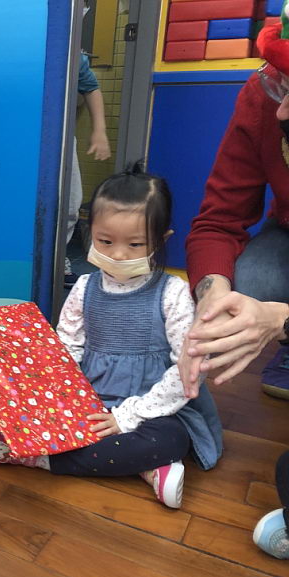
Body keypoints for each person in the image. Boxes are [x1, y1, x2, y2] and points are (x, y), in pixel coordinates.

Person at [0, 163, 223, 508]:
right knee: (17, 412)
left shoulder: (173, 293)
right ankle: (146, 468)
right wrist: (45, 397)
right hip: (91, 404)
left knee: (170, 439)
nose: (118, 254)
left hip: (154, 409)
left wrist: (128, 417)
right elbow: (66, 349)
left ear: (162, 240)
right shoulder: (84, 287)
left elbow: (186, 372)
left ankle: (36, 457)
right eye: (105, 241)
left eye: (135, 244)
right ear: (89, 231)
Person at [181, 12, 289, 400]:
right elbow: (219, 220)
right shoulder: (262, 95)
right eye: (283, 83)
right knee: (254, 280)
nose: (281, 112)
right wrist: (211, 299)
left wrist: (281, 319)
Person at [65, 51, 111, 286]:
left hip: (59, 137)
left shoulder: (70, 52)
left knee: (70, 203)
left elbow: (91, 88)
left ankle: (56, 258)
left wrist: (99, 131)